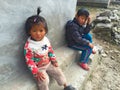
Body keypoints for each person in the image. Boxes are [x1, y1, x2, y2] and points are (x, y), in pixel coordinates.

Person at [24, 7, 76, 90]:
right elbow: (29, 60)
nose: (38, 33)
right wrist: (36, 72)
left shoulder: (46, 40)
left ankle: (66, 86)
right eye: (34, 31)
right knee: (44, 80)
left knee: (58, 72)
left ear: (45, 30)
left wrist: (54, 60)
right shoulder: (29, 46)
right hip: (39, 68)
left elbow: (50, 50)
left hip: (48, 63)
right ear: (29, 31)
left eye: (41, 30)